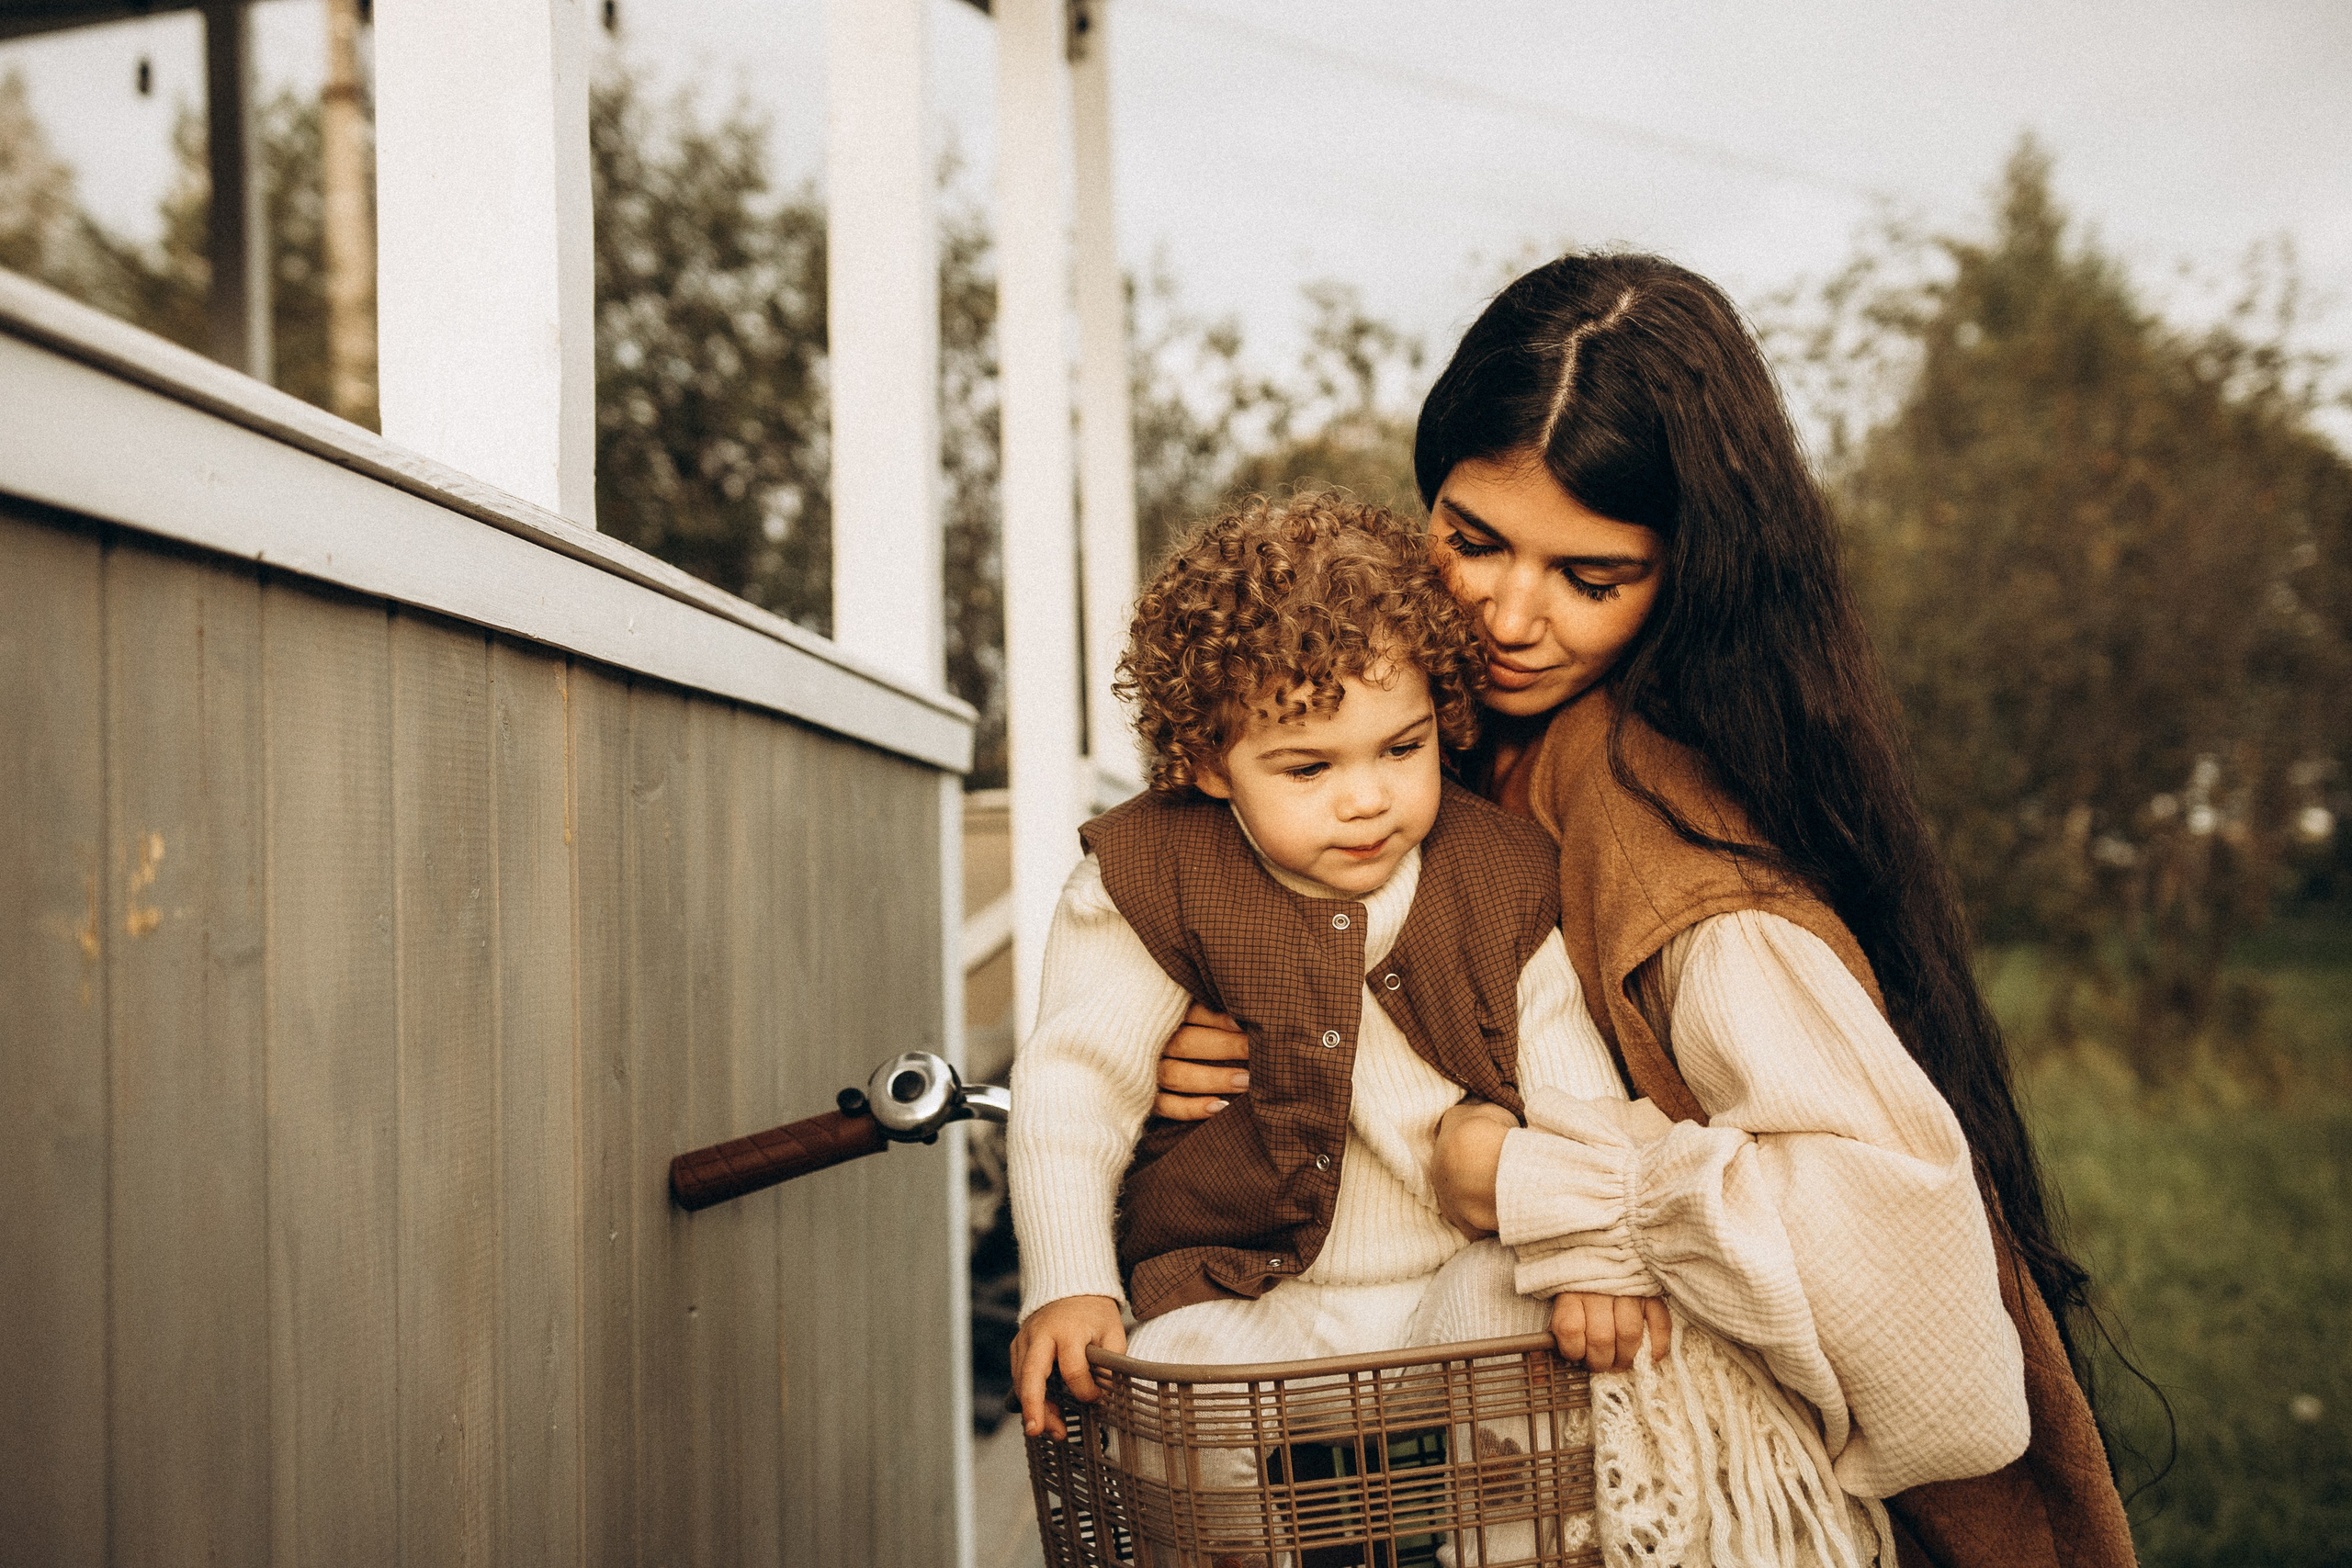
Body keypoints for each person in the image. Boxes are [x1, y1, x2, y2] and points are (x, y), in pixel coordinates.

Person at [1149, 253, 2138, 1568]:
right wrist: (1216, 1044)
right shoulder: (1410, 740)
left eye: (1590, 575)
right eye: (1473, 537)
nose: (1507, 613)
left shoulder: (1648, 817)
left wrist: (1548, 1182)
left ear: (1688, 571)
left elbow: (1905, 1259)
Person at [1007, 493, 1887, 1567]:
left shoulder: (1501, 875)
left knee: (1534, 1344)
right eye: (1308, 768)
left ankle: (1513, 1554)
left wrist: (1596, 1260)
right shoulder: (1147, 874)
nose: (1366, 799)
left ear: (1441, 715)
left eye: (1400, 748)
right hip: (1251, 1292)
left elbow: (1571, 1090)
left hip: (1452, 1287)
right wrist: (1068, 1278)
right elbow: (1071, 1085)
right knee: (1176, 1387)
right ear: (1204, 761)